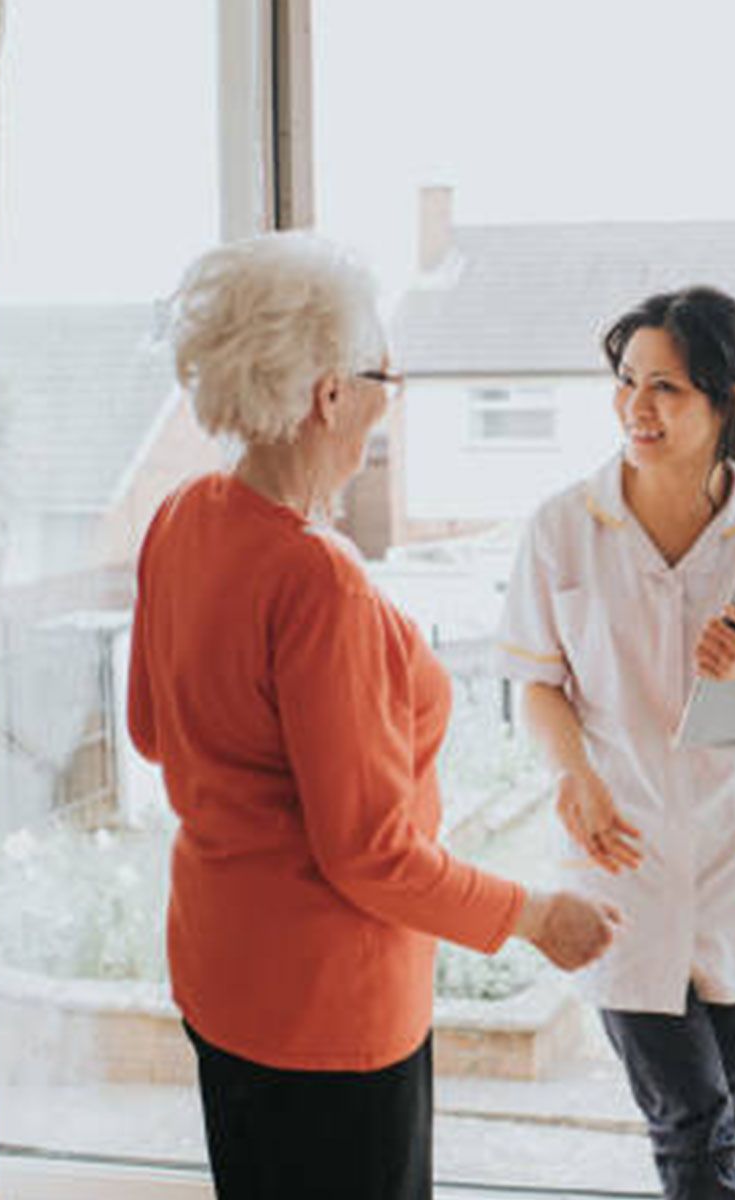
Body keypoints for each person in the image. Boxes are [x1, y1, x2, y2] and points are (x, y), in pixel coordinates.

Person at [128, 232, 620, 1200]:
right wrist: (534, 916)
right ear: (329, 395)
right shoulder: (318, 581)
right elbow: (369, 854)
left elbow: (151, 730)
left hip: (219, 972)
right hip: (328, 1008)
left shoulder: (182, 515)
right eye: (385, 376)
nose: (389, 401)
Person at [495, 286, 735, 1200]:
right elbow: (536, 682)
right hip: (619, 859)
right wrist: (572, 774)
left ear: (728, 400)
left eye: (667, 388)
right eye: (627, 382)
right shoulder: (563, 527)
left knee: (728, 1114)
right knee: (694, 1125)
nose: (637, 408)